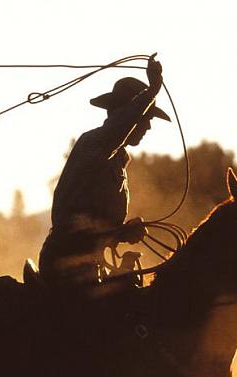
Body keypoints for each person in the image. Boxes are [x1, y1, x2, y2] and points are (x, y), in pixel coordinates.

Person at [38, 55, 170, 292]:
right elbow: (77, 228)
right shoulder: (94, 142)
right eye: (146, 118)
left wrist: (120, 232)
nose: (149, 126)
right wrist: (151, 92)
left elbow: (90, 223)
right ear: (127, 115)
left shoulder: (115, 158)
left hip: (87, 264)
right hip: (66, 266)